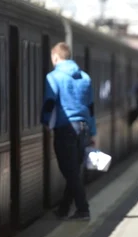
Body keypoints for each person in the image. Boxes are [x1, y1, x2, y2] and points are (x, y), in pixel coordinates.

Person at [40, 42, 96, 220]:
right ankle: (64, 208)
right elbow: (91, 107)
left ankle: (83, 209)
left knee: (69, 171)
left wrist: (45, 122)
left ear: (56, 57)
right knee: (74, 170)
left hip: (65, 129)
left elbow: (49, 102)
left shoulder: (53, 77)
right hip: (83, 128)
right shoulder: (85, 78)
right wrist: (93, 132)